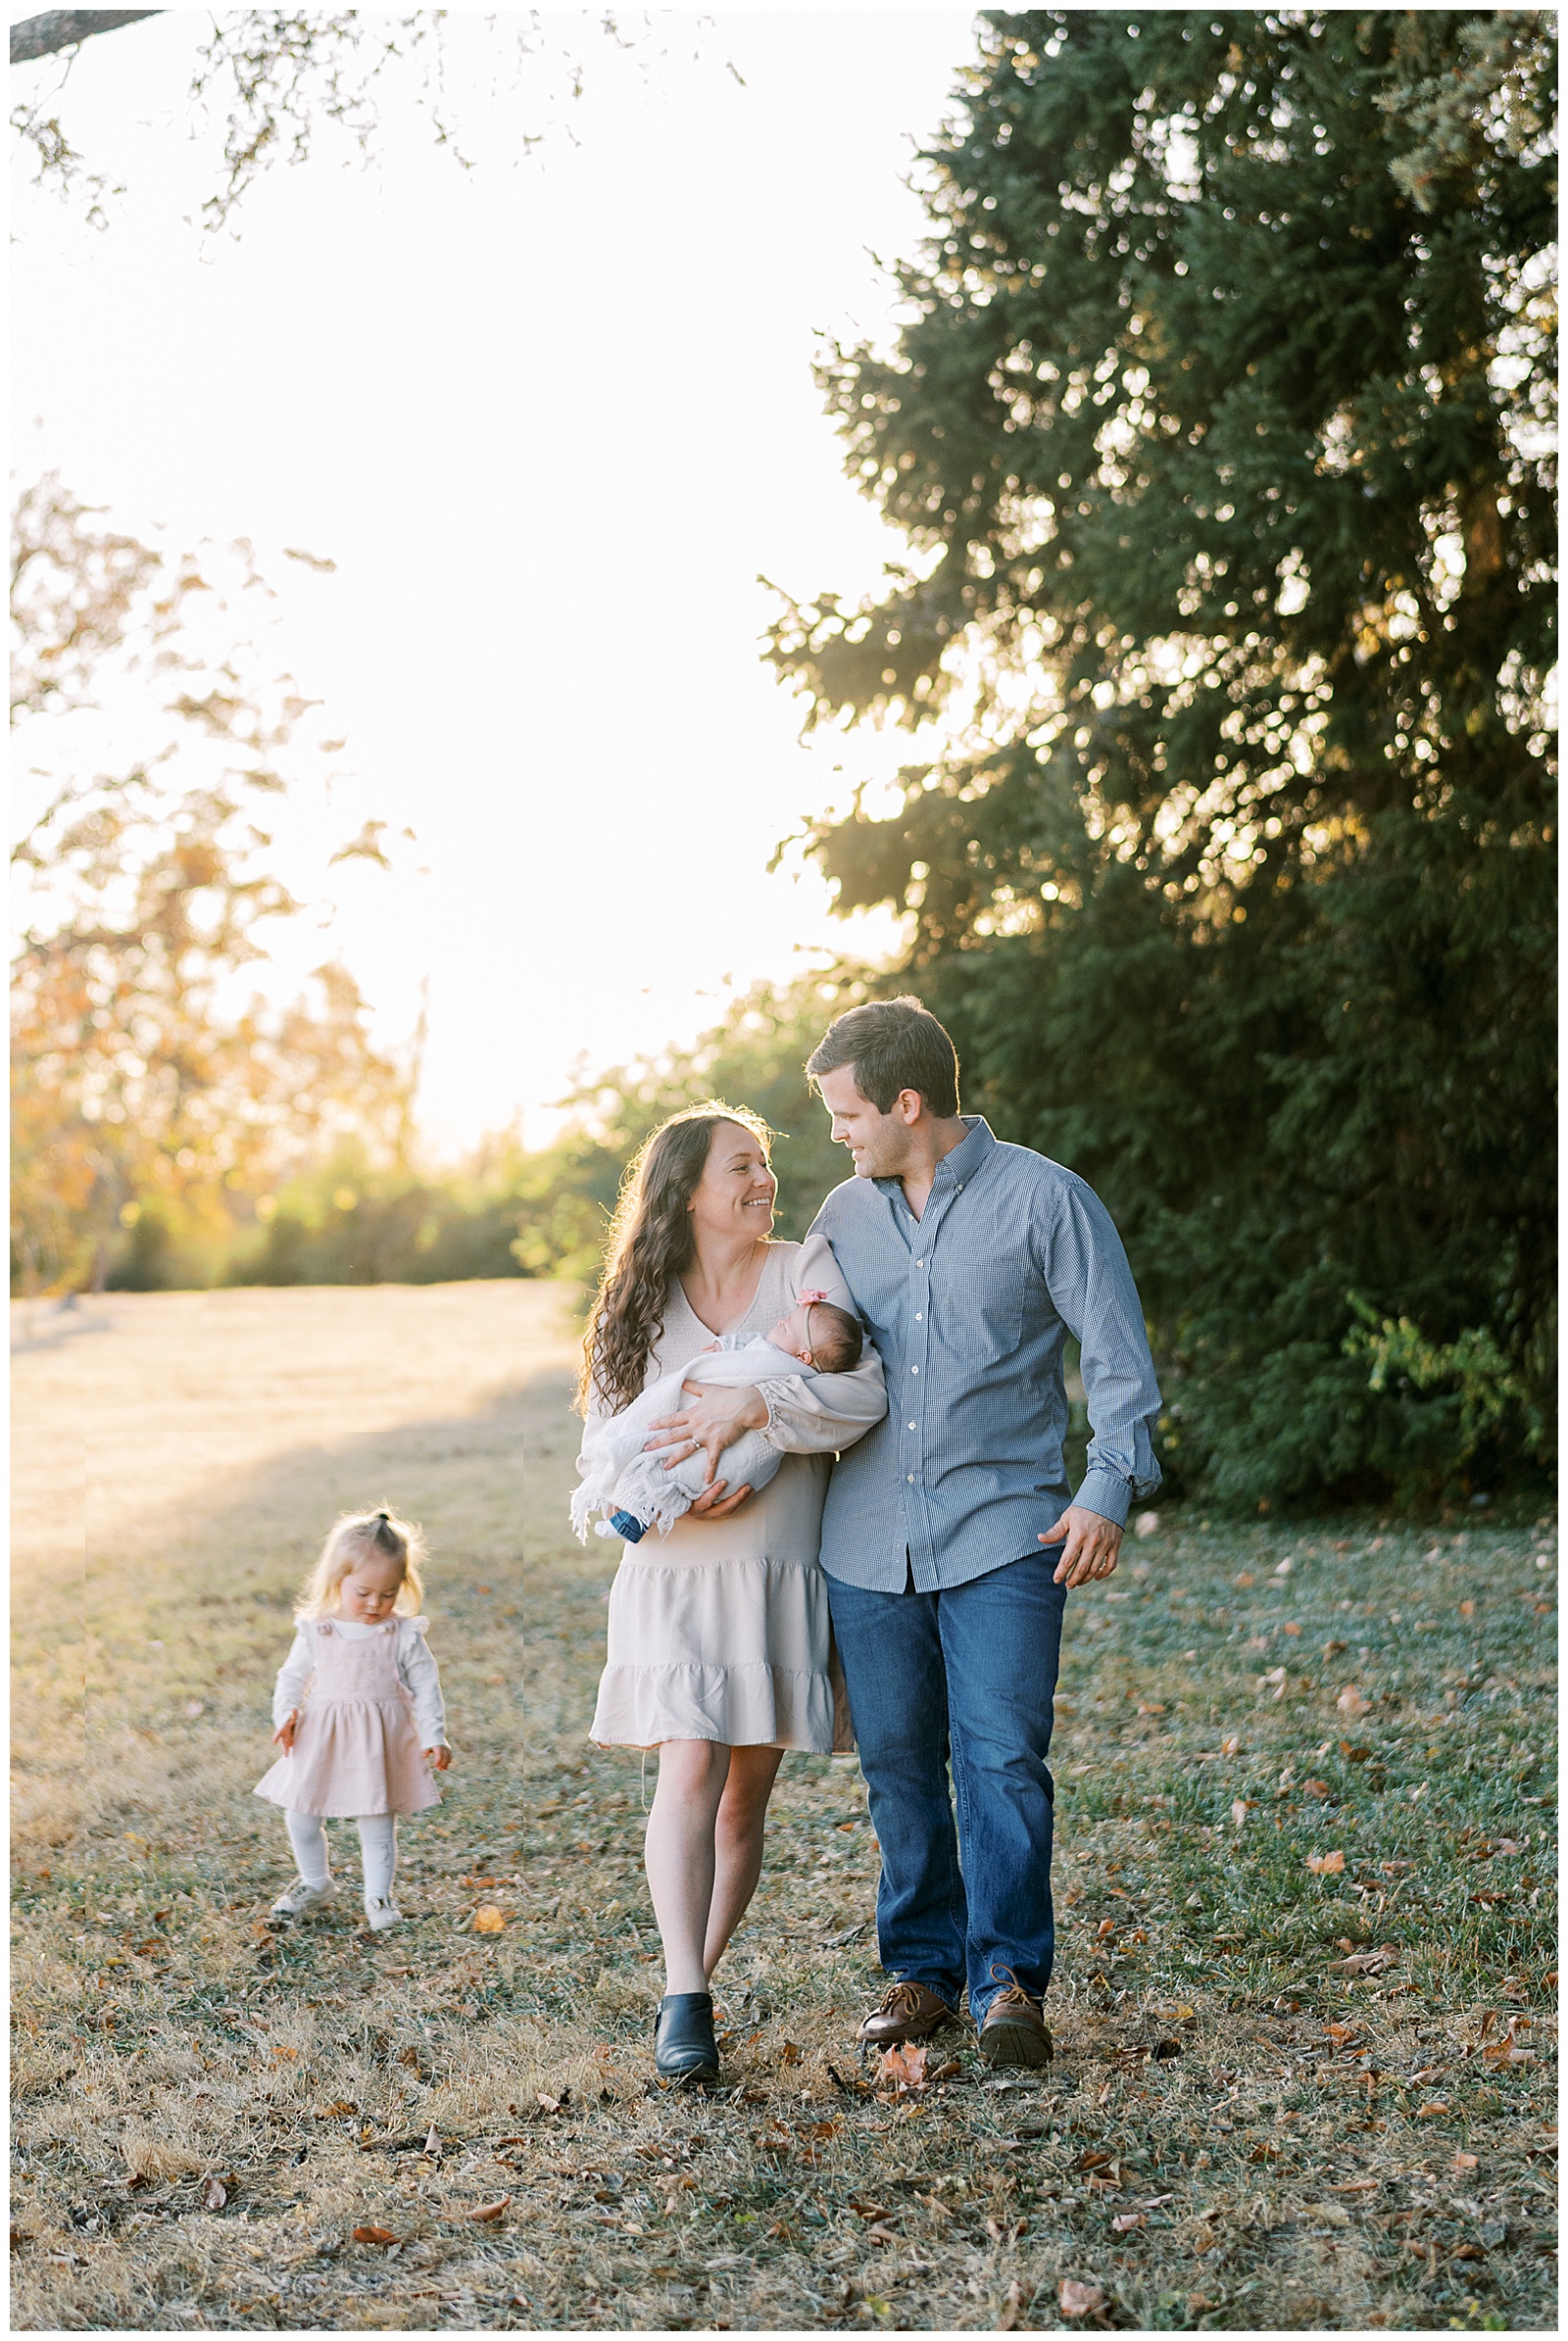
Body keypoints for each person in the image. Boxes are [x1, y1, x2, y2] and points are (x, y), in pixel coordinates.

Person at [684, 1000, 1161, 2066]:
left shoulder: (1049, 1200)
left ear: (907, 1103)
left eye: (848, 1113)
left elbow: (1119, 1360)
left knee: (1001, 1760)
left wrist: (1106, 1487)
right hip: (862, 1542)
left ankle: (1007, 1984)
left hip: (1006, 1531)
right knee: (898, 1765)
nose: (838, 1136)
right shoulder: (845, 1219)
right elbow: (799, 1354)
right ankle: (921, 1971)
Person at [576, 1103, 886, 2086]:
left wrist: (758, 1413)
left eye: (763, 1164)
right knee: (690, 1762)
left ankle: (690, 1984)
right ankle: (686, 1997)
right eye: (740, 1166)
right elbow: (603, 1445)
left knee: (744, 1797)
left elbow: (863, 1392)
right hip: (672, 1564)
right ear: (687, 1192)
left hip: (774, 1562)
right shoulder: (636, 1302)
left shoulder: (807, 1268)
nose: (763, 1180)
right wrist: (675, 1491)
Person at [255, 1507, 451, 1934]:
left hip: (378, 1739)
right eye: (363, 1592)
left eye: (388, 1593)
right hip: (320, 1735)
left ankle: (377, 1896)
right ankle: (315, 1882)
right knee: (301, 1815)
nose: (375, 1604)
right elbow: (291, 1676)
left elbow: (426, 1683)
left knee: (376, 1819)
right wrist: (285, 1713)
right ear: (336, 1581)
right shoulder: (317, 1630)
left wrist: (434, 1734)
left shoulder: (400, 1633)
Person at [572, 1295, 862, 1544]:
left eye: (787, 1326)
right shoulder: (626, 1302)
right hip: (665, 1558)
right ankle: (633, 1509)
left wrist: (752, 1403)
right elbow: (751, 1344)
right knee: (662, 1452)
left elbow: (861, 1397)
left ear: (803, 1356)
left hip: (753, 1500)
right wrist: (725, 1347)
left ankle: (634, 1518)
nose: (780, 1322)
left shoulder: (786, 1368)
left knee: (680, 1471)